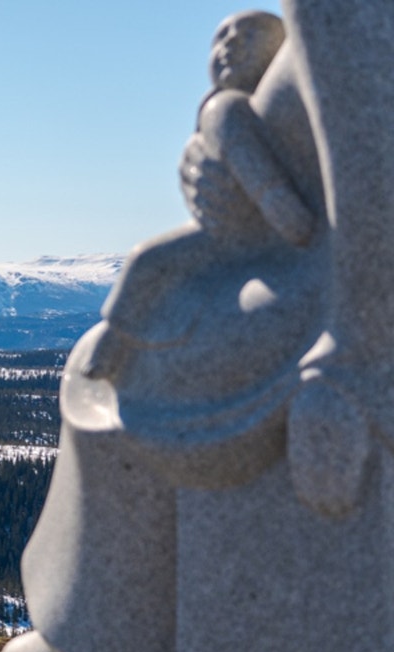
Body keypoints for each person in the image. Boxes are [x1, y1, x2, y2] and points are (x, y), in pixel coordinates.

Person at [82, 10, 314, 382]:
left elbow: (257, 172)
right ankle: (115, 341)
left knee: (146, 261)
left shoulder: (225, 109)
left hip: (247, 234)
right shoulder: (225, 105)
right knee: (148, 262)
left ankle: (113, 343)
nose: (231, 43)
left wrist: (286, 216)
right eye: (222, 36)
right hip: (234, 232)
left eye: (249, 34)